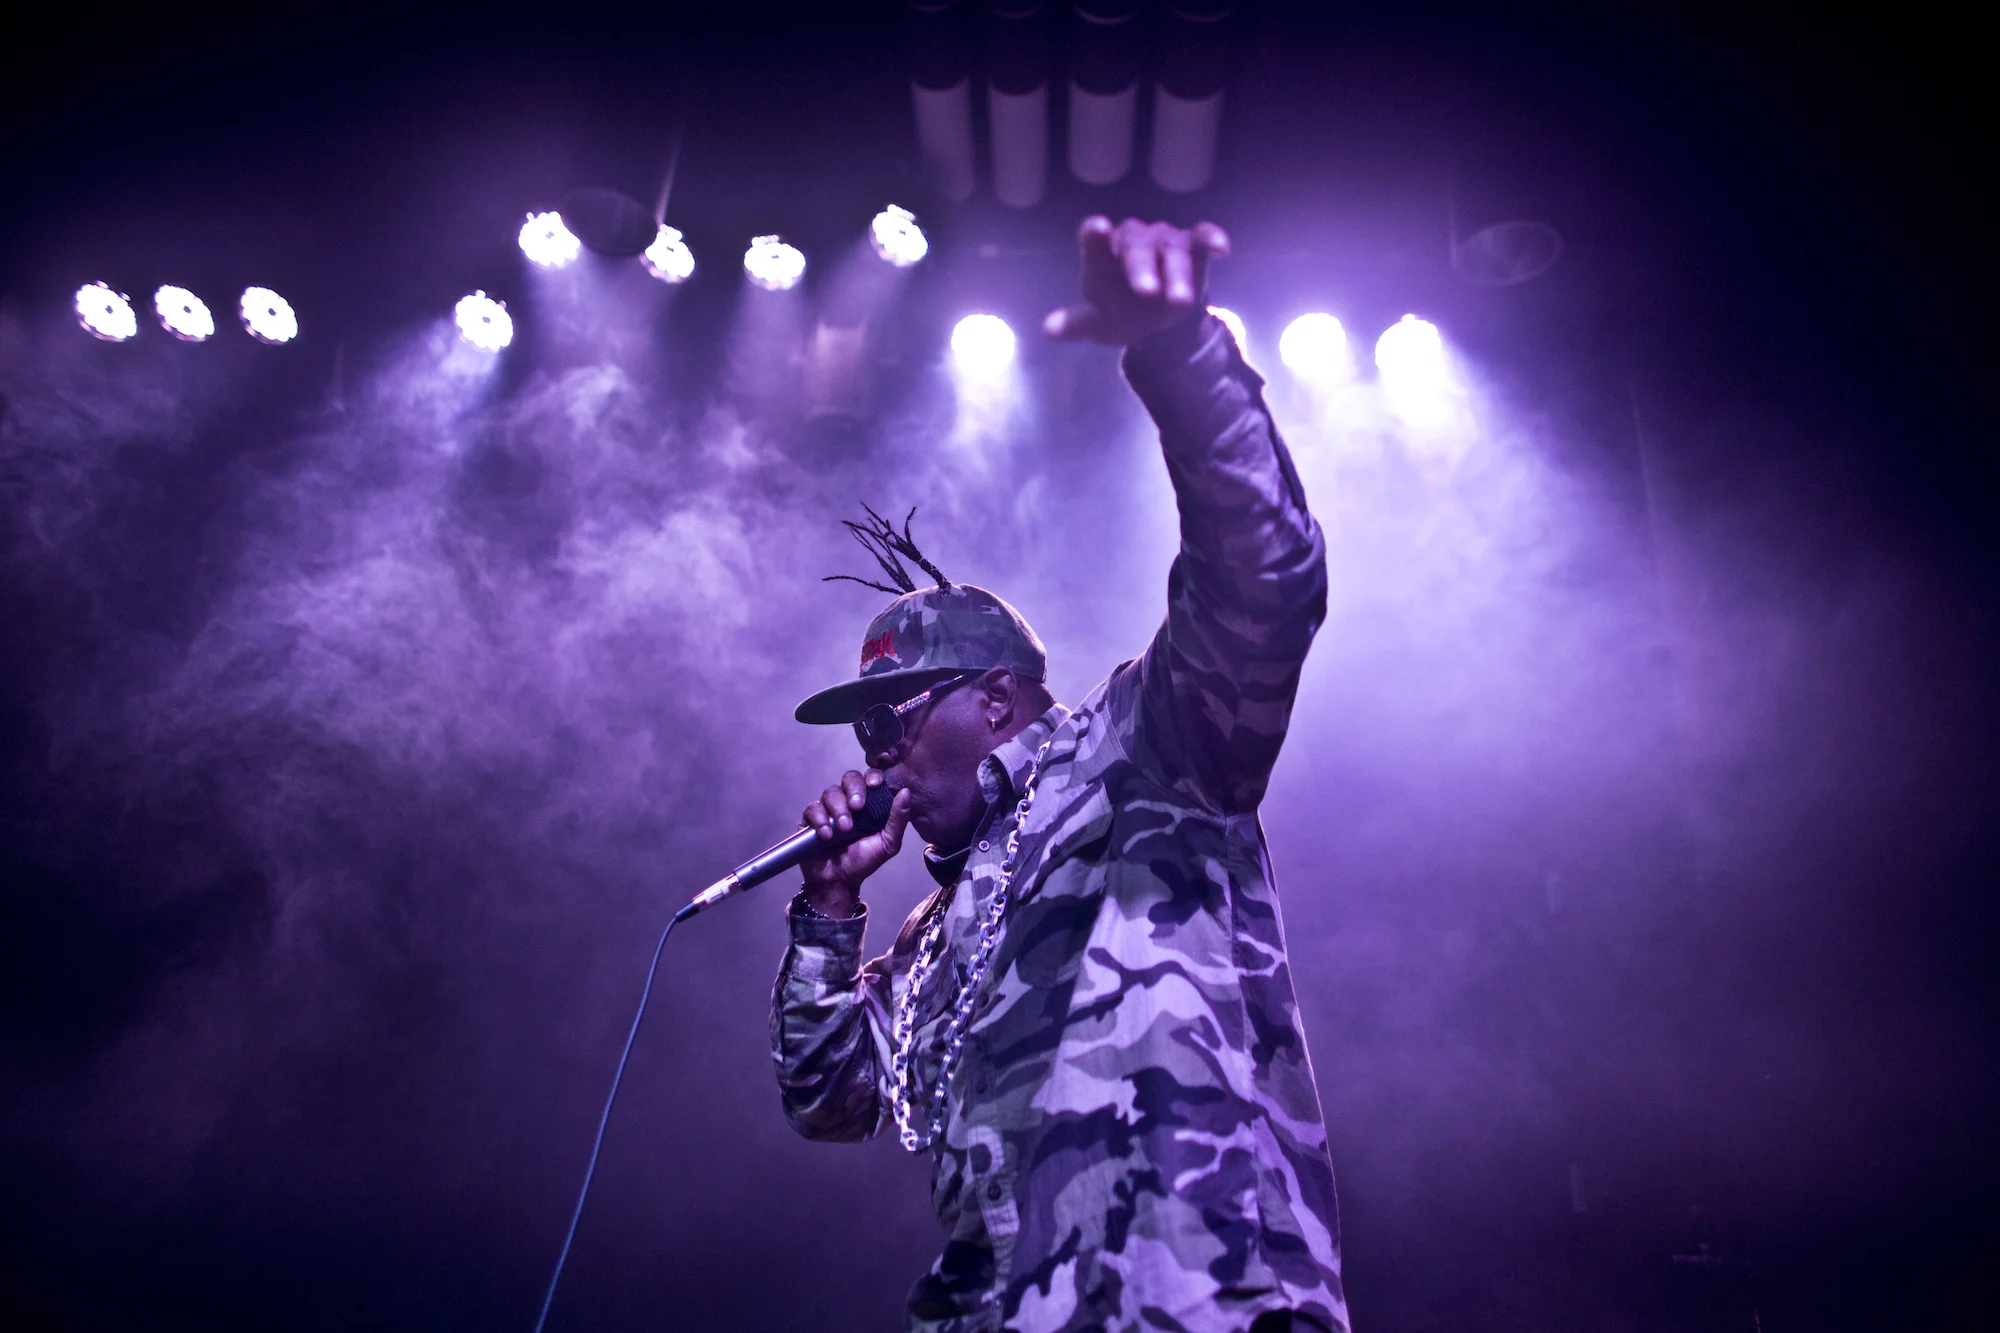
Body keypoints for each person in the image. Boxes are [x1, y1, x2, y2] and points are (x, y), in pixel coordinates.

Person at [771, 216, 1347, 1333]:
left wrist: (1182, 357)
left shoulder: (1136, 751)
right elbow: (831, 1101)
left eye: (890, 721)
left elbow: (1265, 582)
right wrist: (829, 909)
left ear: (993, 702)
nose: (874, 755)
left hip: (1188, 1300)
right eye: (866, 736)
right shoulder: (933, 933)